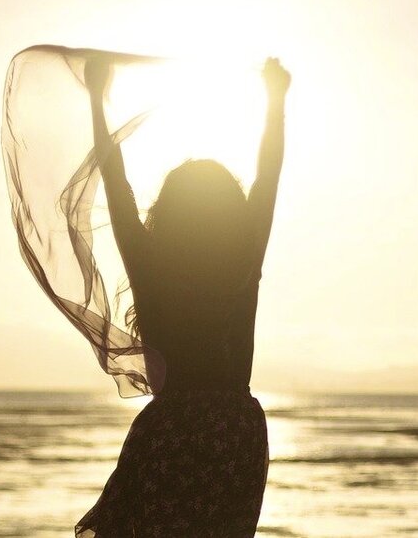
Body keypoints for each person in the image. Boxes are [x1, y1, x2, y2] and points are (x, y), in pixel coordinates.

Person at [75, 57, 291, 537]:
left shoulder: (151, 266)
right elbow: (268, 177)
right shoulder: (242, 258)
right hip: (234, 433)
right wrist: (276, 100)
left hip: (168, 432)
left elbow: (115, 179)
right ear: (230, 212)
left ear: (168, 211)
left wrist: (96, 98)